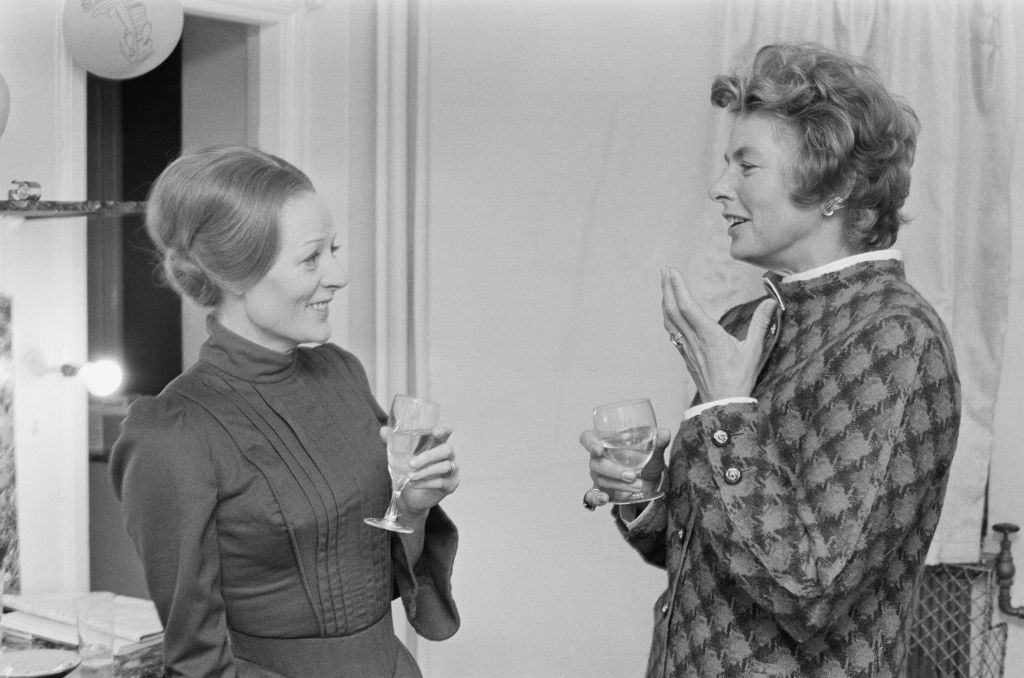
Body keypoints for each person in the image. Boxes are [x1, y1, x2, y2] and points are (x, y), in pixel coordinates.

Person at [580, 43, 960, 677]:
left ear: (835, 186)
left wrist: (727, 414)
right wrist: (646, 495)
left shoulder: (896, 340)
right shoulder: (748, 324)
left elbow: (810, 591)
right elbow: (710, 552)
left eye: (746, 166)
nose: (719, 187)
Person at [109, 145, 460, 677]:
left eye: (334, 250)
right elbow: (197, 662)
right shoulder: (173, 432)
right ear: (233, 276)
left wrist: (411, 506)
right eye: (311, 257)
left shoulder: (341, 373)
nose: (338, 275)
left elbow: (376, 573)